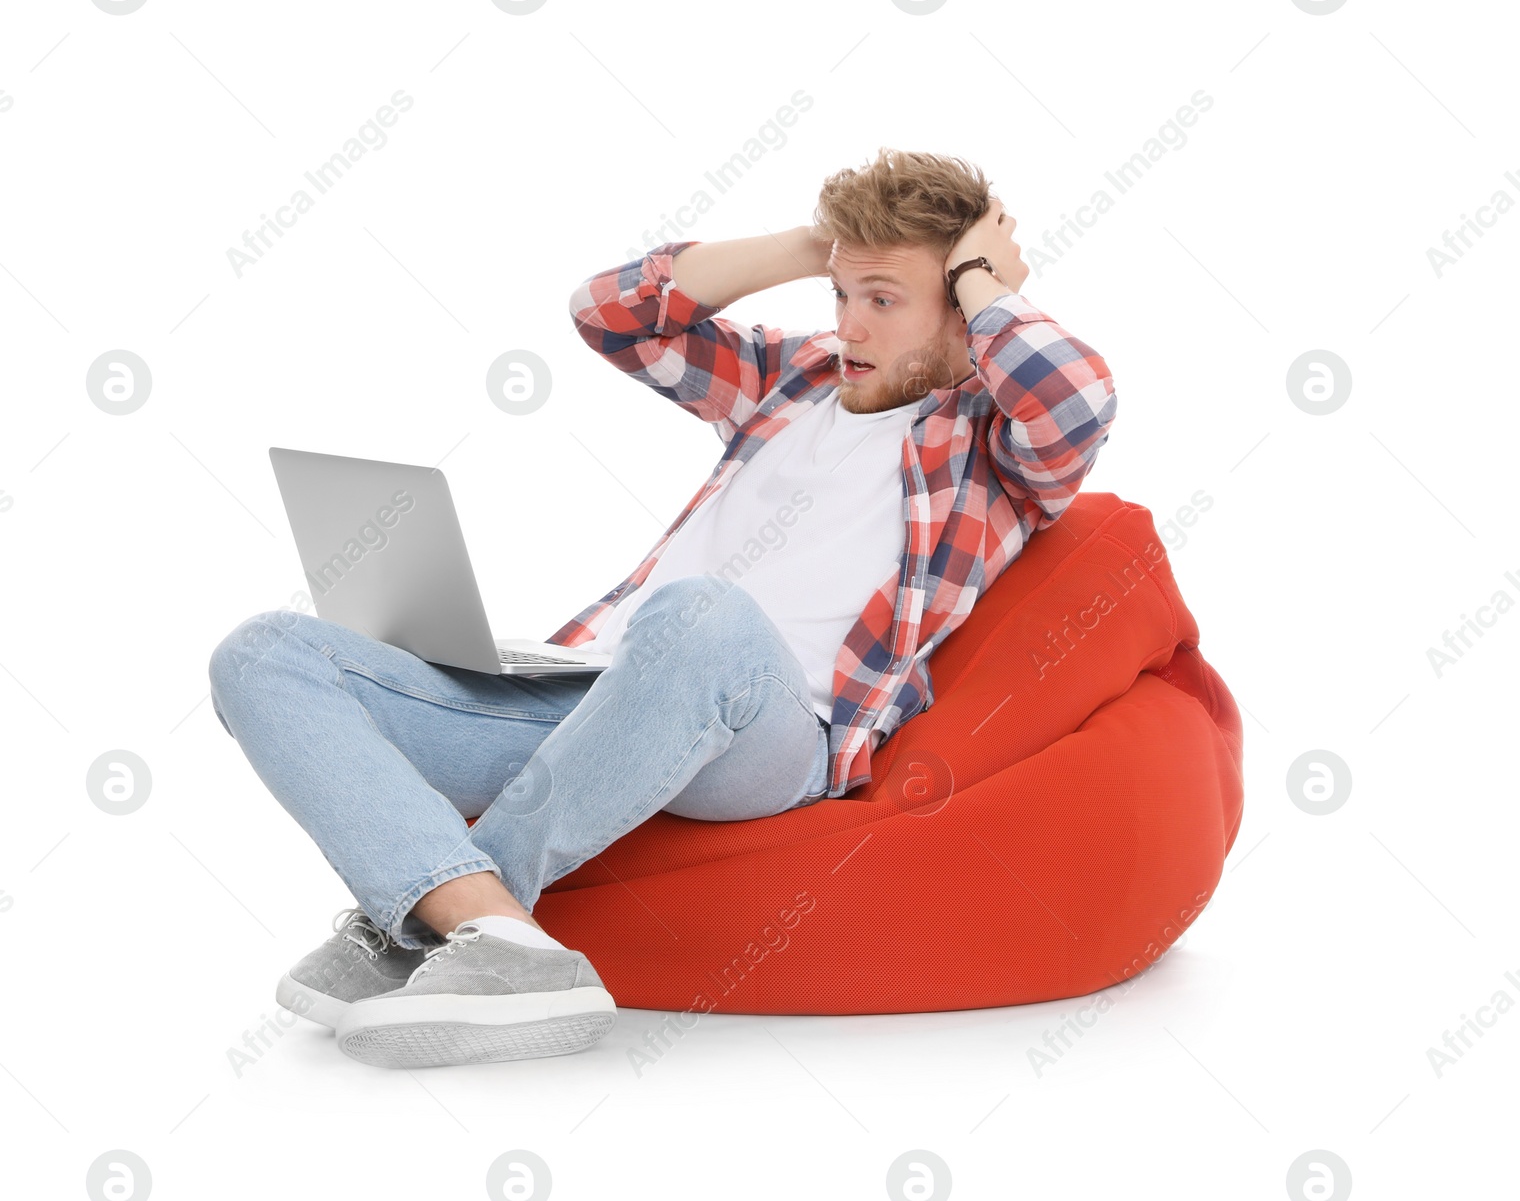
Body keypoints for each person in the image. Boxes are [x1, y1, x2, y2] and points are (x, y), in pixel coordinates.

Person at [207, 147, 1118, 1070]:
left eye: (883, 299)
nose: (849, 325)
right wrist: (815, 246)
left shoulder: (988, 449)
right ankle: (478, 929)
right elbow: (609, 314)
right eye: (841, 295)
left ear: (965, 313)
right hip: (596, 693)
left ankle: (440, 924)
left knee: (696, 614)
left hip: (771, 729)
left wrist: (977, 277)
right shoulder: (793, 379)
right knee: (264, 653)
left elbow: (1076, 402)